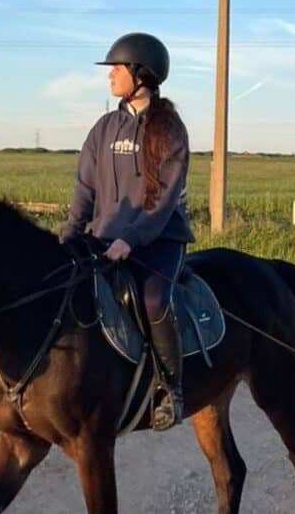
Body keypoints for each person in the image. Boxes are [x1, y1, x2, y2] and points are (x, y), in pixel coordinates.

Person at [61, 32, 195, 431]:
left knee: (153, 299)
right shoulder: (103, 128)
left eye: (116, 69)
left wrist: (131, 239)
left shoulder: (169, 130)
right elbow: (85, 187)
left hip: (159, 240)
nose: (110, 77)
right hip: (103, 238)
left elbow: (163, 200)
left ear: (141, 74)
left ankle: (170, 388)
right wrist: (70, 233)